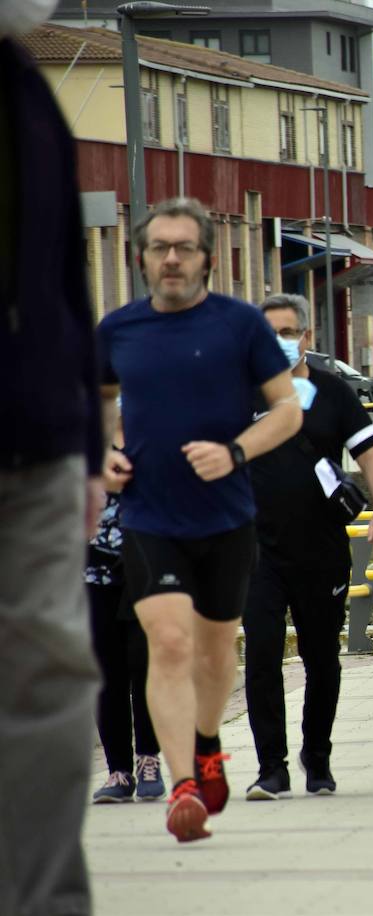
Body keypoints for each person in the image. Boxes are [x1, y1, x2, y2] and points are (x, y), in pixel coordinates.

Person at [98, 197, 302, 843]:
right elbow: (96, 403)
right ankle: (184, 786)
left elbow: (288, 411)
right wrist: (102, 451)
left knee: (215, 653)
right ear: (142, 258)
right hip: (148, 515)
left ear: (208, 257)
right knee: (170, 643)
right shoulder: (118, 330)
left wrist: (235, 451)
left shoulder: (240, 326)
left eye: (184, 247)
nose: (172, 258)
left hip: (225, 516)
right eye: (160, 247)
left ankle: (208, 740)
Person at [0, 9, 105, 908]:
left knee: (52, 678)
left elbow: (68, 286)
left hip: (34, 442)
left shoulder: (27, 94)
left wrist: (87, 451)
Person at [242, 294, 373, 801]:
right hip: (256, 552)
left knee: (321, 658)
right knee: (262, 656)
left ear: (307, 338)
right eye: (271, 335)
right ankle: (271, 766)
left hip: (320, 549)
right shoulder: (240, 393)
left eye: (290, 333)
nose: (281, 343)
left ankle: (318, 756)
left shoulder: (333, 393)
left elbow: (369, 453)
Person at [88, 405, 164, 804]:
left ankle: (148, 759)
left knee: (144, 665)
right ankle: (117, 770)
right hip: (91, 571)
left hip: (145, 567)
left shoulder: (153, 433)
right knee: (106, 672)